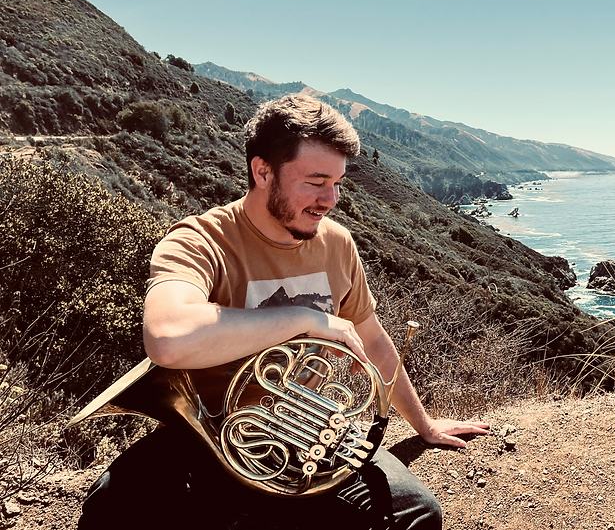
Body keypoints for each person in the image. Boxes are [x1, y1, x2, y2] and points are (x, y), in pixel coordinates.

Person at [78, 95, 489, 530]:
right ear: (262, 171)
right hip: (209, 438)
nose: (329, 199)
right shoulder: (199, 241)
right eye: (315, 181)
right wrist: (304, 318)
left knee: (416, 513)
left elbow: (373, 341)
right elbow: (167, 337)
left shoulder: (336, 243)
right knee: (111, 510)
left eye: (337, 183)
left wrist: (423, 425)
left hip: (308, 436)